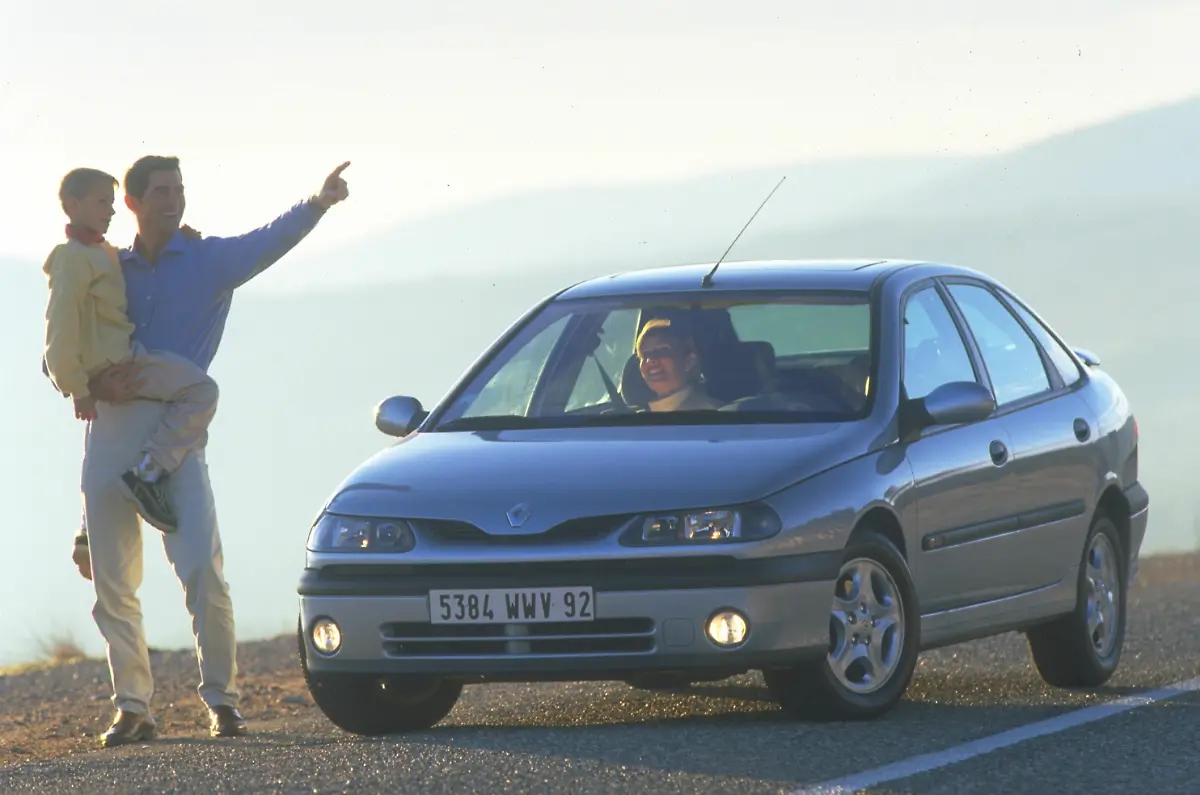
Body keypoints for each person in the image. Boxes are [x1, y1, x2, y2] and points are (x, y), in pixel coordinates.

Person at [61, 154, 350, 748]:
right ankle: (133, 709)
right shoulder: (105, 264)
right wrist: (85, 384)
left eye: (179, 189)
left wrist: (317, 203)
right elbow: (60, 339)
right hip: (108, 430)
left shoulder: (209, 259)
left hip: (176, 436)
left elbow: (270, 241)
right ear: (133, 202)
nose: (175, 200)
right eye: (161, 191)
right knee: (112, 585)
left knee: (203, 574)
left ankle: (222, 701)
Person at [44, 168, 220, 532]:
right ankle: (149, 471)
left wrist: (180, 240)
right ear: (73, 205)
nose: (109, 212)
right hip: (122, 363)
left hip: (122, 358)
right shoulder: (72, 259)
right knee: (201, 390)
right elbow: (59, 335)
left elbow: (133, 258)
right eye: (100, 203)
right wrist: (80, 390)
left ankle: (99, 521)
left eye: (111, 204)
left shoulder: (103, 253)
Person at [634, 317, 722, 411]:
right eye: (644, 355)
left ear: (689, 361)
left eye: (662, 351)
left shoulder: (714, 415)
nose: (650, 360)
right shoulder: (632, 420)